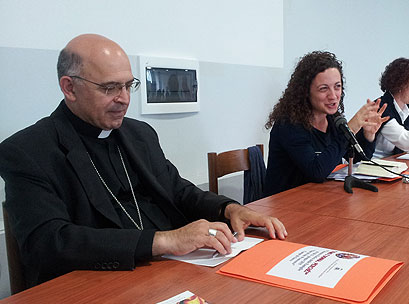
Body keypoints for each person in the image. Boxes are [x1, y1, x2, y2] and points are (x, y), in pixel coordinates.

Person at [0, 34, 287, 287]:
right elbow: (49, 243)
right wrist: (165, 241)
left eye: (128, 85)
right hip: (96, 288)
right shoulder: (27, 151)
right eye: (110, 88)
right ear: (69, 88)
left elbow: (178, 190)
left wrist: (228, 208)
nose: (124, 99)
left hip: (170, 274)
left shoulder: (139, 133)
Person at [263, 51, 389, 196]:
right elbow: (317, 171)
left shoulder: (332, 119)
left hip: (317, 199)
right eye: (324, 89)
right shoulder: (288, 125)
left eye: (337, 86)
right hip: (284, 205)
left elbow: (355, 159)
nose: (333, 95)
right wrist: (351, 127)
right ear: (305, 92)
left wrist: (368, 135)